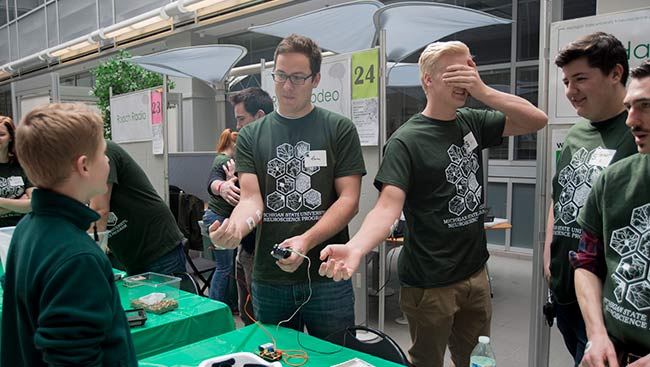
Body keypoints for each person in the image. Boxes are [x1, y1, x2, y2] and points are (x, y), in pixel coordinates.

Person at [318, 40, 547, 367]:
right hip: (430, 282)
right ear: (428, 80)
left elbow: (536, 120)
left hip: (475, 272)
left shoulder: (472, 121)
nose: (465, 80)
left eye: (470, 69)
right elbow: (387, 206)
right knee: (427, 361)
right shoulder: (406, 141)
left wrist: (482, 90)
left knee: (475, 360)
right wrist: (356, 248)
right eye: (455, 73)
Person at [210, 34, 366, 339]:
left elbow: (349, 200)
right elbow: (252, 200)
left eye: (297, 77)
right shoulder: (252, 135)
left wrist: (305, 241)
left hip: (325, 274)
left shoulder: (338, 128)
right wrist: (235, 230)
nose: (287, 86)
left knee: (336, 356)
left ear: (316, 79)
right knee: (276, 357)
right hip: (270, 277)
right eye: (280, 76)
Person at [1, 103, 136, 366]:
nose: (108, 160)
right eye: (103, 153)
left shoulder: (27, 228)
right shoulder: (77, 257)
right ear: (84, 166)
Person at [543, 32, 637, 366]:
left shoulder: (636, 134)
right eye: (567, 81)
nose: (571, 91)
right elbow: (561, 195)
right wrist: (548, 255)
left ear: (616, 73)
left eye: (580, 79)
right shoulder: (576, 133)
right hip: (567, 294)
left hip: (610, 307)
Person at [571, 60, 650, 367]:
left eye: (645, 106)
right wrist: (596, 334)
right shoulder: (614, 180)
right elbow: (587, 261)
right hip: (611, 352)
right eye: (629, 107)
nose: (632, 120)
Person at [206, 87, 273, 325]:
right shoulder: (237, 153)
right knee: (247, 309)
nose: (238, 127)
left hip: (262, 247)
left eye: (241, 119)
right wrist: (221, 187)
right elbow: (243, 196)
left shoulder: (272, 151)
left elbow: (254, 199)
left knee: (262, 314)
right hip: (243, 239)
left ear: (260, 115)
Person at [90, 140, 185, 275]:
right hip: (131, 255)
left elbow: (99, 211)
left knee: (166, 295)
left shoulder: (101, 151)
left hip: (156, 246)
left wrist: (90, 258)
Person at [204, 128, 238, 309]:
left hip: (216, 216)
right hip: (219, 217)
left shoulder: (220, 159)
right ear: (232, 144)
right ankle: (215, 306)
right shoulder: (226, 161)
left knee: (225, 266)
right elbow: (216, 183)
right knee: (224, 267)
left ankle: (226, 303)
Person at [0, 115, 33, 227]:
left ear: (11, 137)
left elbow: (33, 204)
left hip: (22, 229)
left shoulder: (22, 166)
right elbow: (26, 205)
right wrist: (20, 201)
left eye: (2, 134)